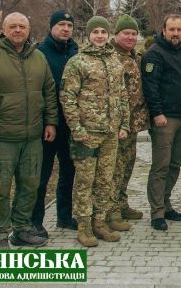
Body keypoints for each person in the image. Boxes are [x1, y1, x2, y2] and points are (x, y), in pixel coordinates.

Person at [0, 12, 58, 249]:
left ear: (28, 30)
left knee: (30, 185)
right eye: (13, 26)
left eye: (22, 27)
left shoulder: (38, 58)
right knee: (0, 189)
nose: (18, 30)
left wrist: (50, 122)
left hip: (32, 139)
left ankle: (22, 229)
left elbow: (49, 92)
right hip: (1, 138)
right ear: (3, 29)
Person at [61, 15, 129, 247]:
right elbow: (67, 98)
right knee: (85, 181)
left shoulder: (114, 61)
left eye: (103, 31)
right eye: (95, 32)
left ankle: (100, 222)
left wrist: (124, 125)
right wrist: (76, 129)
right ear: (89, 35)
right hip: (87, 134)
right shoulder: (78, 62)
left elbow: (122, 96)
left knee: (105, 180)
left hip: (110, 133)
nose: (100, 35)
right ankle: (84, 226)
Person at [141, 14, 181, 231]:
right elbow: (150, 87)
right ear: (163, 30)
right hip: (164, 119)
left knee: (176, 163)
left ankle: (166, 202)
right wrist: (157, 113)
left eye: (179, 30)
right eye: (171, 29)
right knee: (161, 165)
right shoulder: (154, 54)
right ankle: (156, 212)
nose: (175, 34)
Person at [31, 10, 79, 238]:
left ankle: (64, 216)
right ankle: (35, 221)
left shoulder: (75, 51)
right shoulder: (40, 53)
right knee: (42, 175)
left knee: (69, 172)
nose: (66, 29)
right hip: (48, 125)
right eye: (61, 25)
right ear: (51, 27)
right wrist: (47, 121)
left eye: (69, 26)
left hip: (71, 124)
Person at [106, 15, 150, 232]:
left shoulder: (135, 56)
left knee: (128, 164)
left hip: (133, 124)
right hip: (116, 125)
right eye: (126, 33)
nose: (131, 37)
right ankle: (111, 211)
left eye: (134, 33)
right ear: (117, 35)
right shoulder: (110, 57)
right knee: (114, 168)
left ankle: (122, 204)